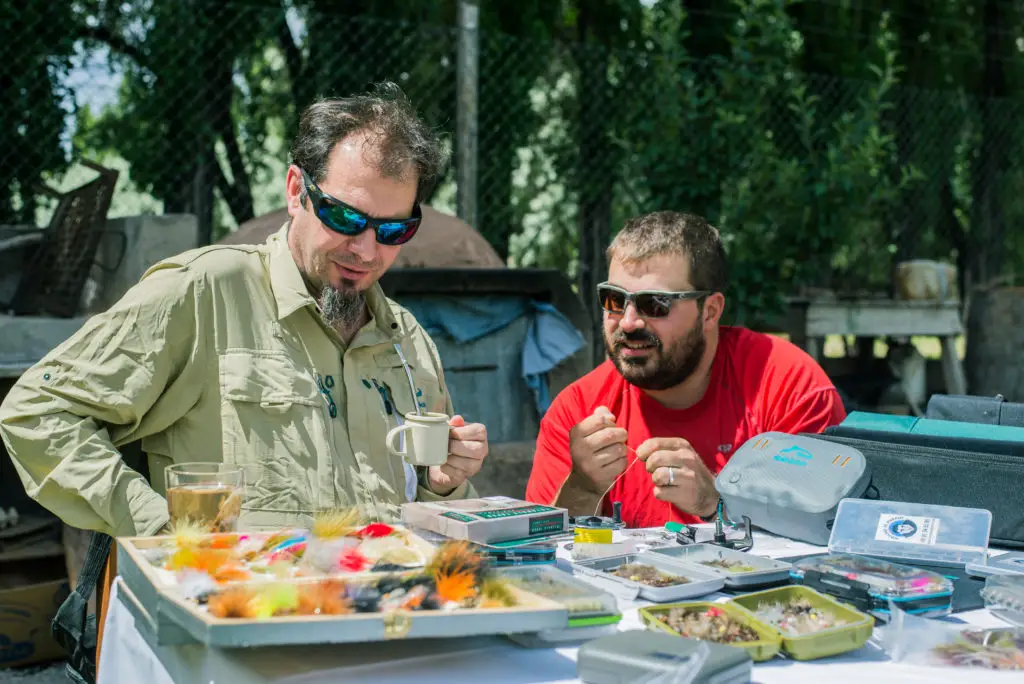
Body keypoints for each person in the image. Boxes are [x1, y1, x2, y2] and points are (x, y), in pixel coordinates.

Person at [0, 82, 488, 537]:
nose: (365, 250)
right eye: (344, 217)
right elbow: (39, 412)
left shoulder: (408, 341)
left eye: (392, 231)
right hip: (243, 611)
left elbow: (424, 510)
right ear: (297, 191)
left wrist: (443, 484)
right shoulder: (206, 292)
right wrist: (162, 531)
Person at [525, 211, 846, 527]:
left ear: (710, 311)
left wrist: (715, 505)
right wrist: (583, 486)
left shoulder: (786, 385)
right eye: (614, 299)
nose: (628, 321)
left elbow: (828, 537)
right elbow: (539, 558)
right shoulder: (579, 410)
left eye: (655, 304)